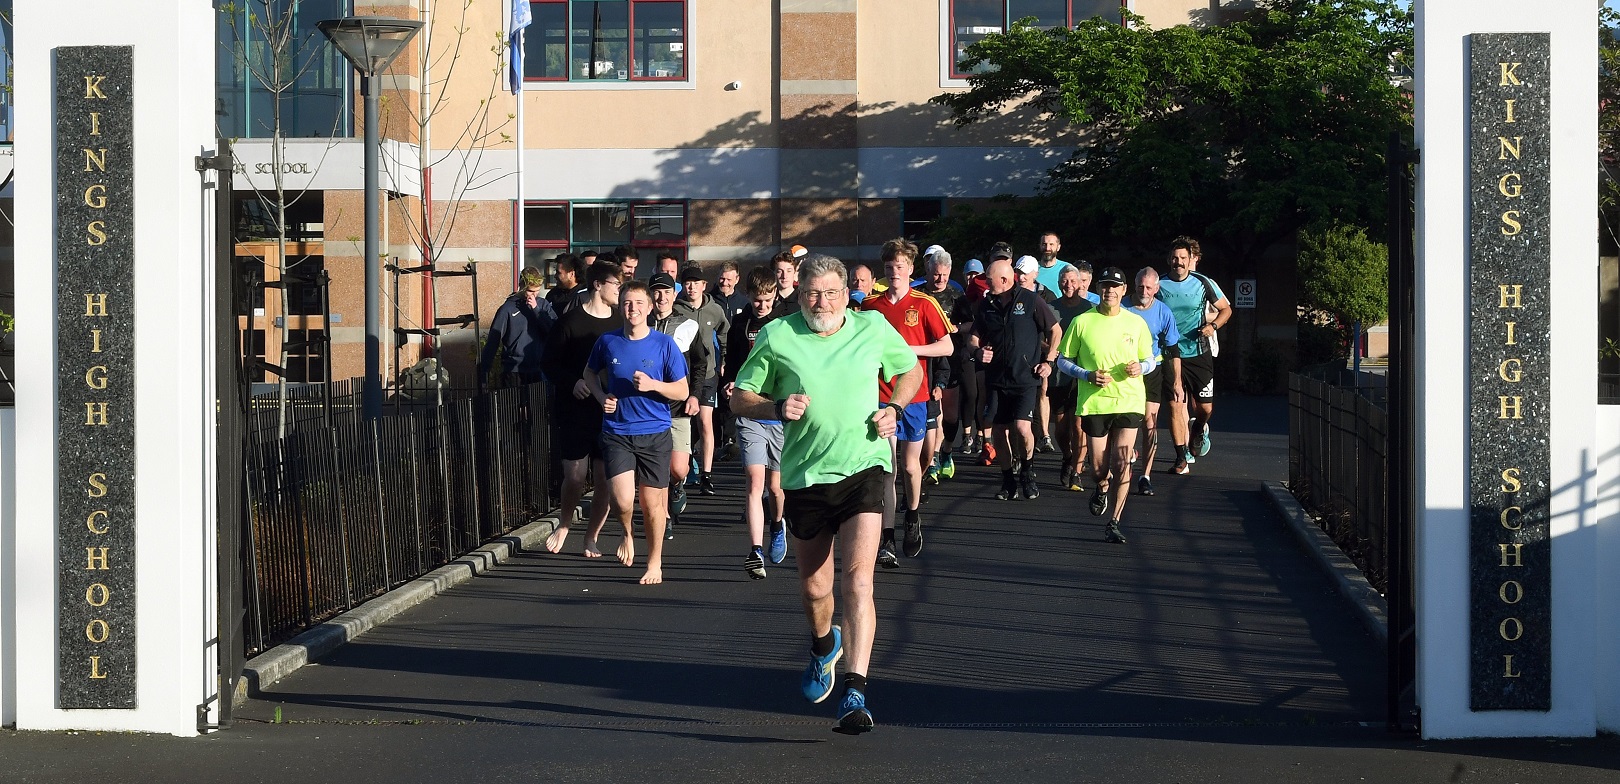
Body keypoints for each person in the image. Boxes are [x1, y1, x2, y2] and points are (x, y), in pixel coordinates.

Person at [731, 253, 923, 734]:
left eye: (832, 293)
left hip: (865, 467)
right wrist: (775, 404)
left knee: (858, 581)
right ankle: (823, 646)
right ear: (800, 293)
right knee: (816, 588)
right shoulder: (778, 334)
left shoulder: (872, 327)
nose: (823, 302)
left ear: (847, 294)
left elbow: (910, 371)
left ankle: (856, 691)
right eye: (813, 293)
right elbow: (738, 395)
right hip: (805, 477)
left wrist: (894, 408)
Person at [582, 280, 690, 584]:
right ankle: (627, 533)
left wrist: (654, 385)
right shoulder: (607, 342)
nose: (633, 309)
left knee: (653, 504)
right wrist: (602, 398)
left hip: (654, 432)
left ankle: (654, 562)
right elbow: (589, 373)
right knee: (622, 500)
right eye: (628, 303)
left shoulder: (664, 344)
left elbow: (682, 391)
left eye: (639, 304)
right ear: (621, 306)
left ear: (649, 307)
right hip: (617, 430)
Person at [863, 239, 953, 567]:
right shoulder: (871, 306)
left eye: (900, 267)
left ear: (911, 269)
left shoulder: (925, 303)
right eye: (889, 268)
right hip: (882, 398)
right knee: (887, 468)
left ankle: (912, 516)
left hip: (915, 396)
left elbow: (947, 347)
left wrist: (910, 351)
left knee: (912, 467)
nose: (895, 272)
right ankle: (886, 538)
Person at [1054, 267, 1157, 544]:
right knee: (1100, 467)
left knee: (1122, 461)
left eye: (1115, 287)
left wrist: (1141, 367)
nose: (1110, 291)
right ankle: (1101, 486)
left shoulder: (1136, 323)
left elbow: (1151, 359)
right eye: (1105, 286)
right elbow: (1062, 360)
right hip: (1095, 403)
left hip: (1129, 400)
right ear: (1098, 289)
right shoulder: (1082, 321)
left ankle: (1114, 521)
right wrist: (1086, 375)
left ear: (1124, 291)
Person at [541, 261, 625, 556]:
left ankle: (591, 537)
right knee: (576, 476)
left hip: (608, 411)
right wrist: (571, 382)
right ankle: (564, 523)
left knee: (603, 480)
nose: (620, 290)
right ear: (599, 285)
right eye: (616, 284)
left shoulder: (619, 324)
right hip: (574, 408)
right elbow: (548, 363)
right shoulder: (570, 322)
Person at [971, 257, 1061, 501]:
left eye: (989, 279)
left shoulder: (1030, 300)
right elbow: (973, 337)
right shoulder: (985, 304)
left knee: (1022, 428)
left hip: (1024, 377)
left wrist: (1049, 361)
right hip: (997, 379)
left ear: (1004, 279)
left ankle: (1028, 471)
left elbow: (1055, 330)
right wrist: (979, 351)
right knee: (998, 431)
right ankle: (1008, 478)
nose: (986, 283)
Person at [723, 266, 790, 578]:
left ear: (775, 295)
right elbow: (734, 361)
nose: (762, 305)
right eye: (757, 300)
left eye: (767, 299)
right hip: (750, 412)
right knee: (755, 483)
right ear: (748, 295)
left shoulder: (784, 324)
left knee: (775, 488)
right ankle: (755, 551)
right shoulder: (740, 322)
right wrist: (730, 382)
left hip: (776, 412)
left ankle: (777, 524)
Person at [1156, 236, 1231, 474]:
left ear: (1191, 261)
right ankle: (1180, 457)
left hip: (1198, 351)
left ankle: (1198, 429)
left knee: (1205, 409)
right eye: (1175, 258)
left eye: (1183, 258)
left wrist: (1213, 327)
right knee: (1175, 404)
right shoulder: (1159, 284)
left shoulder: (1203, 282)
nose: (1178, 262)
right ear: (1169, 259)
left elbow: (1226, 309)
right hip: (1169, 353)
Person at [649, 273, 705, 538]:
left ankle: (678, 486)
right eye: (656, 292)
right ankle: (665, 519)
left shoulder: (688, 326)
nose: (661, 297)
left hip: (678, 407)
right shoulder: (641, 324)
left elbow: (700, 364)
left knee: (678, 468)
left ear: (674, 294)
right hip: (648, 408)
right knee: (656, 468)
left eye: (666, 292)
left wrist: (695, 395)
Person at [675, 265, 730, 496]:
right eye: (688, 283)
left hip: (707, 374)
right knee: (685, 424)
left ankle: (707, 474)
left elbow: (724, 332)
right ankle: (682, 471)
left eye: (696, 283)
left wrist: (724, 359)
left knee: (705, 421)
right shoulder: (676, 308)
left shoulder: (714, 309)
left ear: (704, 285)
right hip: (681, 376)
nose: (691, 287)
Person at [916, 248, 968, 485]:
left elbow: (970, 324)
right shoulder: (919, 294)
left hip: (952, 357)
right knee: (933, 412)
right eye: (936, 275)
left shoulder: (957, 296)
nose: (940, 280)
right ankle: (933, 458)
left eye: (944, 276)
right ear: (928, 271)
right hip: (927, 359)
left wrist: (955, 329)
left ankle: (947, 449)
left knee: (950, 416)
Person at [1130, 266, 1182, 496]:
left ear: (1156, 288)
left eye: (1149, 287)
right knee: (1126, 422)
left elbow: (1173, 350)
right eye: (1141, 286)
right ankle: (1122, 462)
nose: (1144, 290)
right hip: (1125, 371)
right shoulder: (1122, 307)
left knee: (1149, 423)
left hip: (1153, 369)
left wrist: (1177, 382)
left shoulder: (1163, 312)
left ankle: (1145, 476)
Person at [1048, 265, 1094, 491]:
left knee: (1079, 426)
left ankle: (1076, 471)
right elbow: (1039, 337)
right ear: (1059, 284)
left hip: (1082, 375)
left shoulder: (1090, 310)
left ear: (1081, 284)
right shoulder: (1050, 309)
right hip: (1059, 374)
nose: (1069, 286)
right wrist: (1051, 349)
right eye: (1065, 281)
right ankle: (1067, 455)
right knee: (1061, 427)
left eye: (1073, 281)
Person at [478, 267, 557, 388]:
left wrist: (536, 310)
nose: (534, 295)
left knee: (536, 406)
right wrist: (484, 372)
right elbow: (493, 340)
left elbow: (554, 331)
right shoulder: (507, 309)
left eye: (537, 291)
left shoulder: (543, 305)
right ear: (522, 286)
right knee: (513, 406)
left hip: (537, 368)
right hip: (513, 369)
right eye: (530, 291)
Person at [1033, 231, 1077, 299]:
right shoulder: (1032, 269)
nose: (1047, 248)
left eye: (1051, 244)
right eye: (1044, 244)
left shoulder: (1067, 268)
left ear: (1058, 247)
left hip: (1059, 309)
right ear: (1040, 246)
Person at [773, 249, 802, 314]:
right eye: (779, 271)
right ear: (774, 273)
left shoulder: (802, 300)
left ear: (795, 272)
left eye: (789, 271)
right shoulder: (768, 301)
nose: (784, 276)